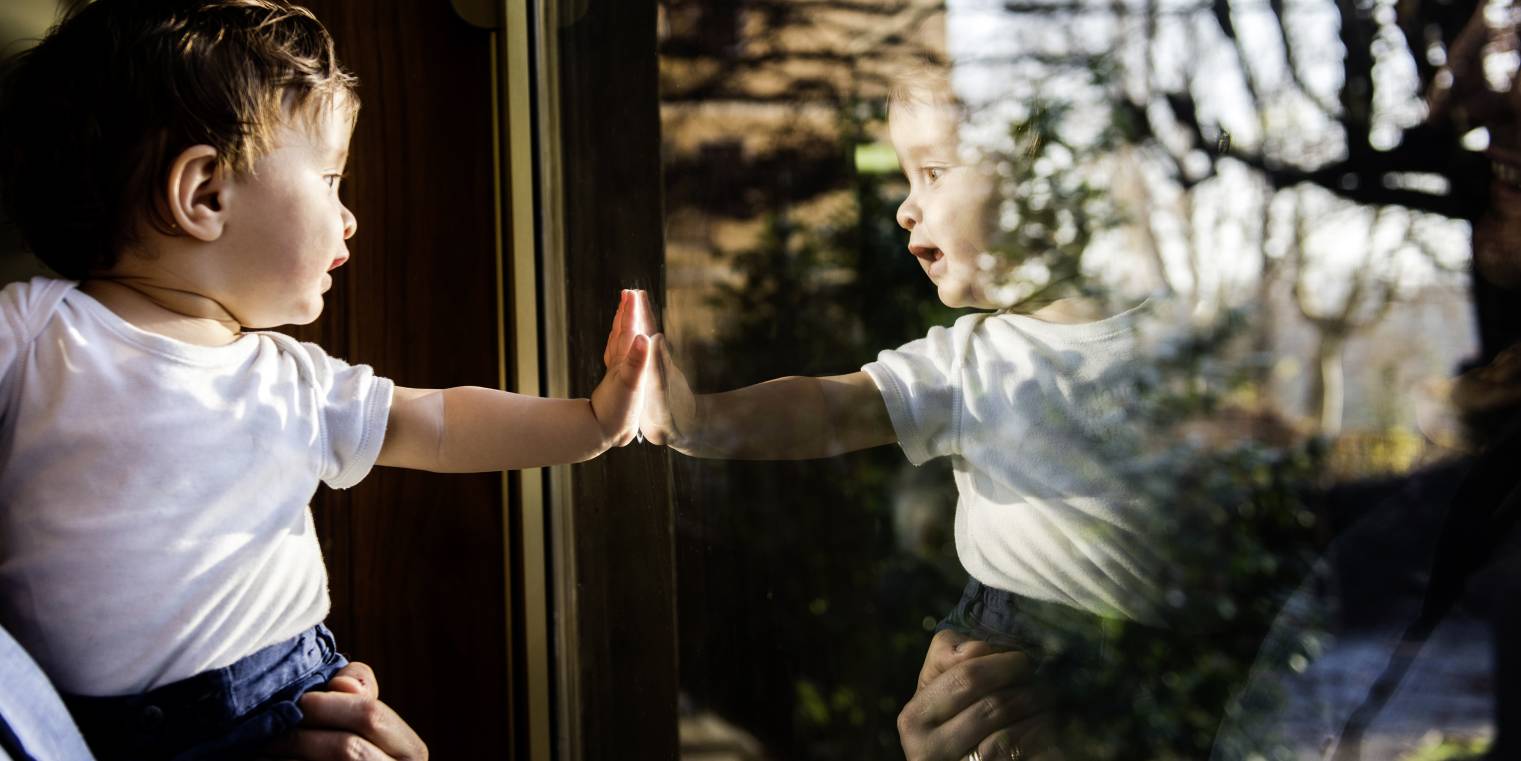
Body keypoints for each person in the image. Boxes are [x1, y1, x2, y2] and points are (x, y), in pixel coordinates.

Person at [0, 1, 649, 758]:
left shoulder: (295, 382)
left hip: (283, 698)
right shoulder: (33, 329)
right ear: (206, 194)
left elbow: (437, 422)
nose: (349, 219)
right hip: (76, 727)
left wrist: (589, 423)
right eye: (331, 179)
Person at [640, 68, 1174, 760]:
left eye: (933, 172)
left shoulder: (1175, 340)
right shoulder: (970, 361)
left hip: (1157, 645)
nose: (904, 208)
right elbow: (831, 405)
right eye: (906, 177)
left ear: (1044, 179)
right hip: (1015, 641)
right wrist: (700, 419)